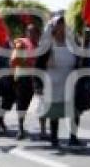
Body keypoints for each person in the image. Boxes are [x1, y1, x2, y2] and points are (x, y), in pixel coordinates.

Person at [35, 16, 86, 148]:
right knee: (54, 112)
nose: (61, 26)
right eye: (58, 24)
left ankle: (73, 138)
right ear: (53, 27)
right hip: (53, 82)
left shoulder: (72, 43)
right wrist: (38, 85)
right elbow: (38, 65)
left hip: (70, 80)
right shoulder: (47, 45)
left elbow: (80, 58)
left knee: (74, 110)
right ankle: (54, 138)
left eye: (62, 23)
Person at [11, 23, 47, 140]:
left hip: (38, 79)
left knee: (41, 105)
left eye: (35, 32)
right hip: (23, 78)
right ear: (27, 33)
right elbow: (14, 60)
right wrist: (29, 64)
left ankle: (43, 131)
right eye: (30, 32)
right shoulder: (21, 44)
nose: (32, 35)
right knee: (22, 104)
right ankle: (20, 129)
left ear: (38, 34)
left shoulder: (41, 47)